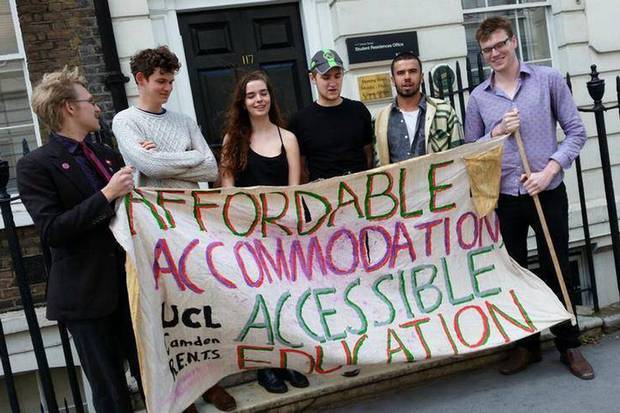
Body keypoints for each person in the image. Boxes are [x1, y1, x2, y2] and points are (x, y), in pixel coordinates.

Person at [464, 16, 594, 380]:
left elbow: (575, 132)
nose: (494, 53)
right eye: (487, 49)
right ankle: (527, 345)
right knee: (516, 271)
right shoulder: (479, 97)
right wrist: (497, 131)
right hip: (506, 197)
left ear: (514, 41)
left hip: (547, 191)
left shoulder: (548, 80)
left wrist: (549, 170)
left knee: (556, 266)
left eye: (500, 44)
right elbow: (471, 151)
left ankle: (570, 344)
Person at [112, 46, 235, 412]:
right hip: (152, 231)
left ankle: (211, 381)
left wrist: (163, 162)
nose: (167, 88)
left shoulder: (183, 120)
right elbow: (144, 163)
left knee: (200, 305)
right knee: (166, 312)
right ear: (141, 80)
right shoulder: (126, 121)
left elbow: (210, 168)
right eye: (161, 81)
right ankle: (183, 392)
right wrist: (181, 158)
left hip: (190, 225)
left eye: (170, 81)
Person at [17, 67, 140, 412]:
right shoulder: (35, 166)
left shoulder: (107, 156)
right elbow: (52, 229)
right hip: (85, 295)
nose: (97, 108)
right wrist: (106, 194)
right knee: (111, 392)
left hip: (128, 287)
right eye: (89, 101)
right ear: (70, 108)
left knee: (152, 375)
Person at [219, 70, 309, 394]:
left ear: (271, 96)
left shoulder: (289, 139)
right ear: (243, 103)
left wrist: (282, 223)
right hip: (248, 236)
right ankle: (266, 368)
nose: (259, 100)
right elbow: (227, 191)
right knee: (259, 304)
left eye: (263, 93)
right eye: (251, 95)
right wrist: (248, 226)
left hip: (282, 234)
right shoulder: (233, 140)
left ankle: (289, 362)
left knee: (285, 300)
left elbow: (294, 189)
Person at [289, 48, 373, 182]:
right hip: (322, 195)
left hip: (360, 191)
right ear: (312, 78)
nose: (333, 83)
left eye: (337, 76)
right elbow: (301, 167)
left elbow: (369, 155)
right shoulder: (300, 120)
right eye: (326, 77)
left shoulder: (358, 110)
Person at [374, 51, 463, 166]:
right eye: (401, 73)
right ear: (393, 80)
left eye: (412, 71)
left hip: (438, 183)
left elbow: (460, 155)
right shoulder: (380, 119)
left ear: (421, 77)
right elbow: (377, 166)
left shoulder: (444, 111)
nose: (407, 77)